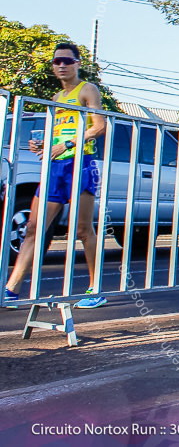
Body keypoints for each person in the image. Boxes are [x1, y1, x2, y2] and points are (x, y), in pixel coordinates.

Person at [5, 43, 108, 309]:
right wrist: (42, 145)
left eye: (66, 61)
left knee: (83, 230)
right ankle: (11, 291)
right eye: (56, 62)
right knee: (33, 228)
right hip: (55, 167)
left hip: (80, 163)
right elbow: (55, 133)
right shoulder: (55, 98)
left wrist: (69, 144)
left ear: (77, 63)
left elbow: (99, 127)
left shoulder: (87, 90)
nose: (61, 65)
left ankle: (95, 290)